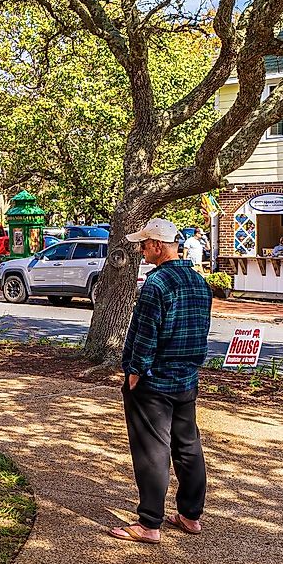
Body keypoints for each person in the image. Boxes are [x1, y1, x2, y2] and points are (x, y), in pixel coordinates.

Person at [109, 217, 212, 545]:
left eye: (143, 244)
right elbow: (200, 330)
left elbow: (146, 334)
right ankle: (191, 515)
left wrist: (135, 371)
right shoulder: (199, 282)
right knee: (188, 445)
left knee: (152, 449)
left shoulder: (156, 284)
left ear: (157, 245)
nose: (141, 250)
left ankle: (149, 524)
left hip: (154, 379)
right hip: (187, 377)